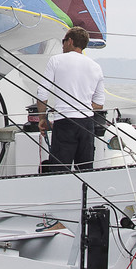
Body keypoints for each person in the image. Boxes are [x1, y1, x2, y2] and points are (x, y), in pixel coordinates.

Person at [32, 26, 106, 174]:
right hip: (87, 124)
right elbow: (99, 103)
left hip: (64, 123)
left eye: (63, 41)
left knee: (59, 171)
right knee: (85, 171)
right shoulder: (96, 67)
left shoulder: (56, 60)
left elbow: (42, 93)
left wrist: (42, 119)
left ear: (70, 41)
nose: (62, 45)